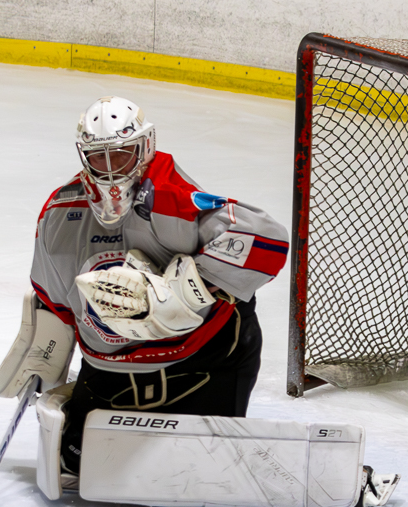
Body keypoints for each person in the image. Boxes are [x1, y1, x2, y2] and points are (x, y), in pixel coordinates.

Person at [29, 95, 289, 476]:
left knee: (200, 465)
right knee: (77, 460)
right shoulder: (60, 214)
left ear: (145, 147)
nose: (109, 169)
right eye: (97, 157)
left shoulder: (175, 200)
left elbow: (269, 241)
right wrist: (41, 352)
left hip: (201, 359)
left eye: (121, 154)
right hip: (112, 367)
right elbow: (54, 301)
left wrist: (186, 290)